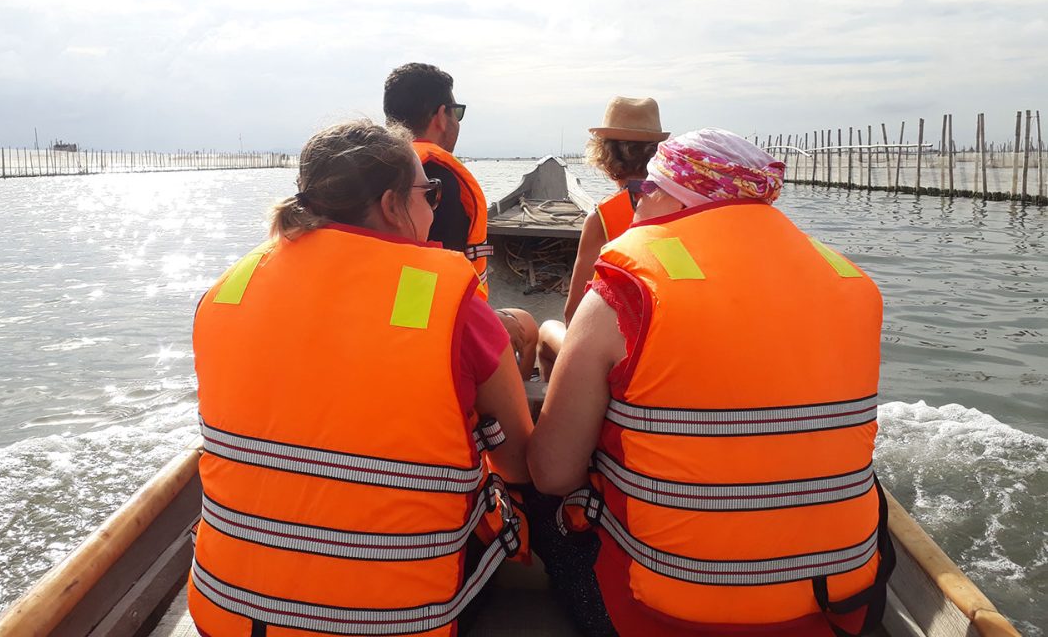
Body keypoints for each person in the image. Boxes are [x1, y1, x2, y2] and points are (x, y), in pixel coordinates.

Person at [528, 128, 895, 636]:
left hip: (667, 616)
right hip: (837, 607)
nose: (636, 202)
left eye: (644, 190)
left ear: (677, 195)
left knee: (539, 499)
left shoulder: (630, 285)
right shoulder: (850, 280)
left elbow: (553, 472)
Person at [188, 120, 535, 637]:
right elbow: (518, 463)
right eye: (430, 194)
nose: (434, 208)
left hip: (227, 611)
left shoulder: (229, 288)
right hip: (389, 621)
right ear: (393, 205)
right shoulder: (451, 304)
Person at [383, 62, 539, 379]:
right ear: (441, 116)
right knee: (528, 326)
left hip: (375, 317)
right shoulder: (440, 184)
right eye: (457, 112)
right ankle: (500, 414)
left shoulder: (372, 172)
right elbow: (438, 287)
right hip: (432, 329)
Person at [538, 96, 667, 378]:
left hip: (621, 356)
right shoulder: (684, 205)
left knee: (547, 333)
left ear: (605, 156)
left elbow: (573, 315)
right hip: (669, 348)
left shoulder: (602, 218)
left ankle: (554, 410)